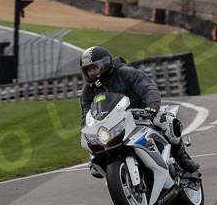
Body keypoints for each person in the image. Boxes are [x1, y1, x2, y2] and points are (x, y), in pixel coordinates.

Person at [80, 46, 200, 174]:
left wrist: (151, 108)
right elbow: (86, 117)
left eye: (94, 68)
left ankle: (182, 157)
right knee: (94, 155)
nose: (91, 73)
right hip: (113, 126)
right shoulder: (88, 91)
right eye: (88, 70)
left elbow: (148, 88)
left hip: (141, 115)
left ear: (105, 64)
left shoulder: (125, 73)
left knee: (168, 121)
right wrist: (86, 131)